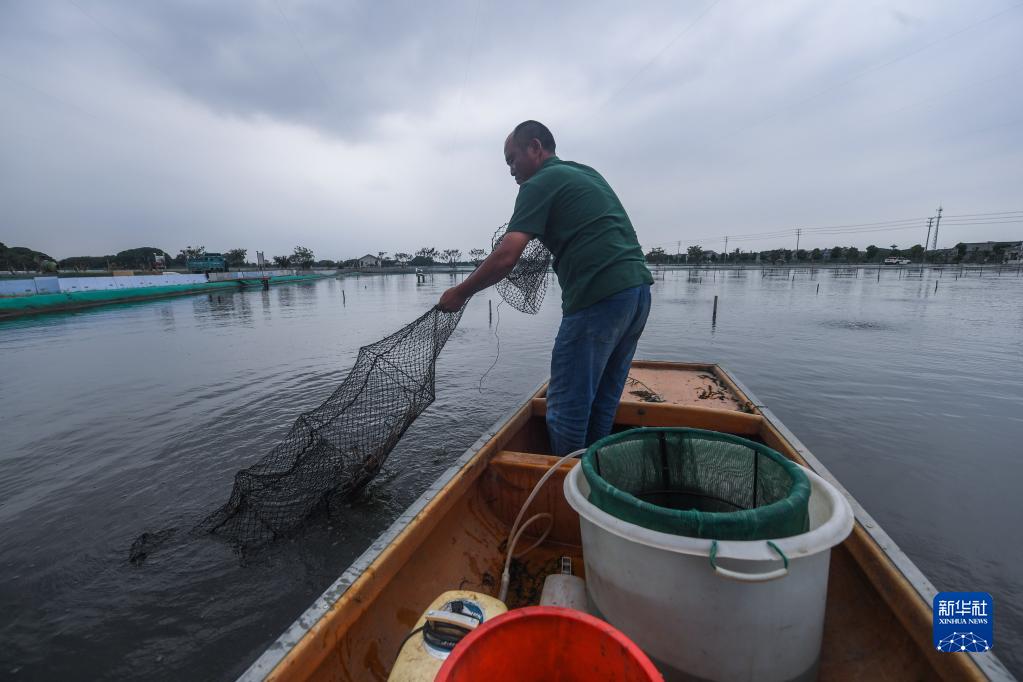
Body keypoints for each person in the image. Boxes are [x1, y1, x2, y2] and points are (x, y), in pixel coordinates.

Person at [438, 120, 653, 455]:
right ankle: (593, 481)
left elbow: (506, 256)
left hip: (598, 298)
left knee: (566, 408)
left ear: (536, 147)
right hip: (637, 295)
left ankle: (565, 493)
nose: (510, 169)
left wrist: (459, 293)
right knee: (602, 401)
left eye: (512, 159)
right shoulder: (585, 172)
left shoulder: (538, 183)